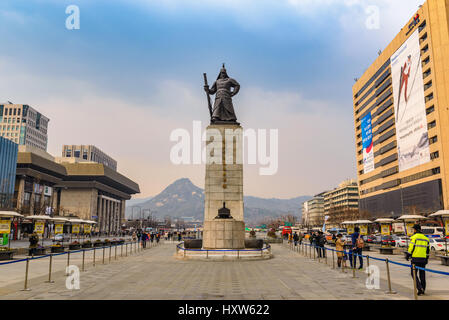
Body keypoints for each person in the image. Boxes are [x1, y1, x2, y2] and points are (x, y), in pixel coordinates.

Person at [406, 224, 430, 296]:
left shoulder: (414, 237)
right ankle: (423, 289)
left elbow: (411, 248)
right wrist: (426, 258)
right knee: (422, 274)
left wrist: (408, 255)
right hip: (423, 259)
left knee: (413, 274)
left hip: (415, 259)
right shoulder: (426, 238)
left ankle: (419, 288)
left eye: (414, 229)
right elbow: (428, 250)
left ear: (415, 230)